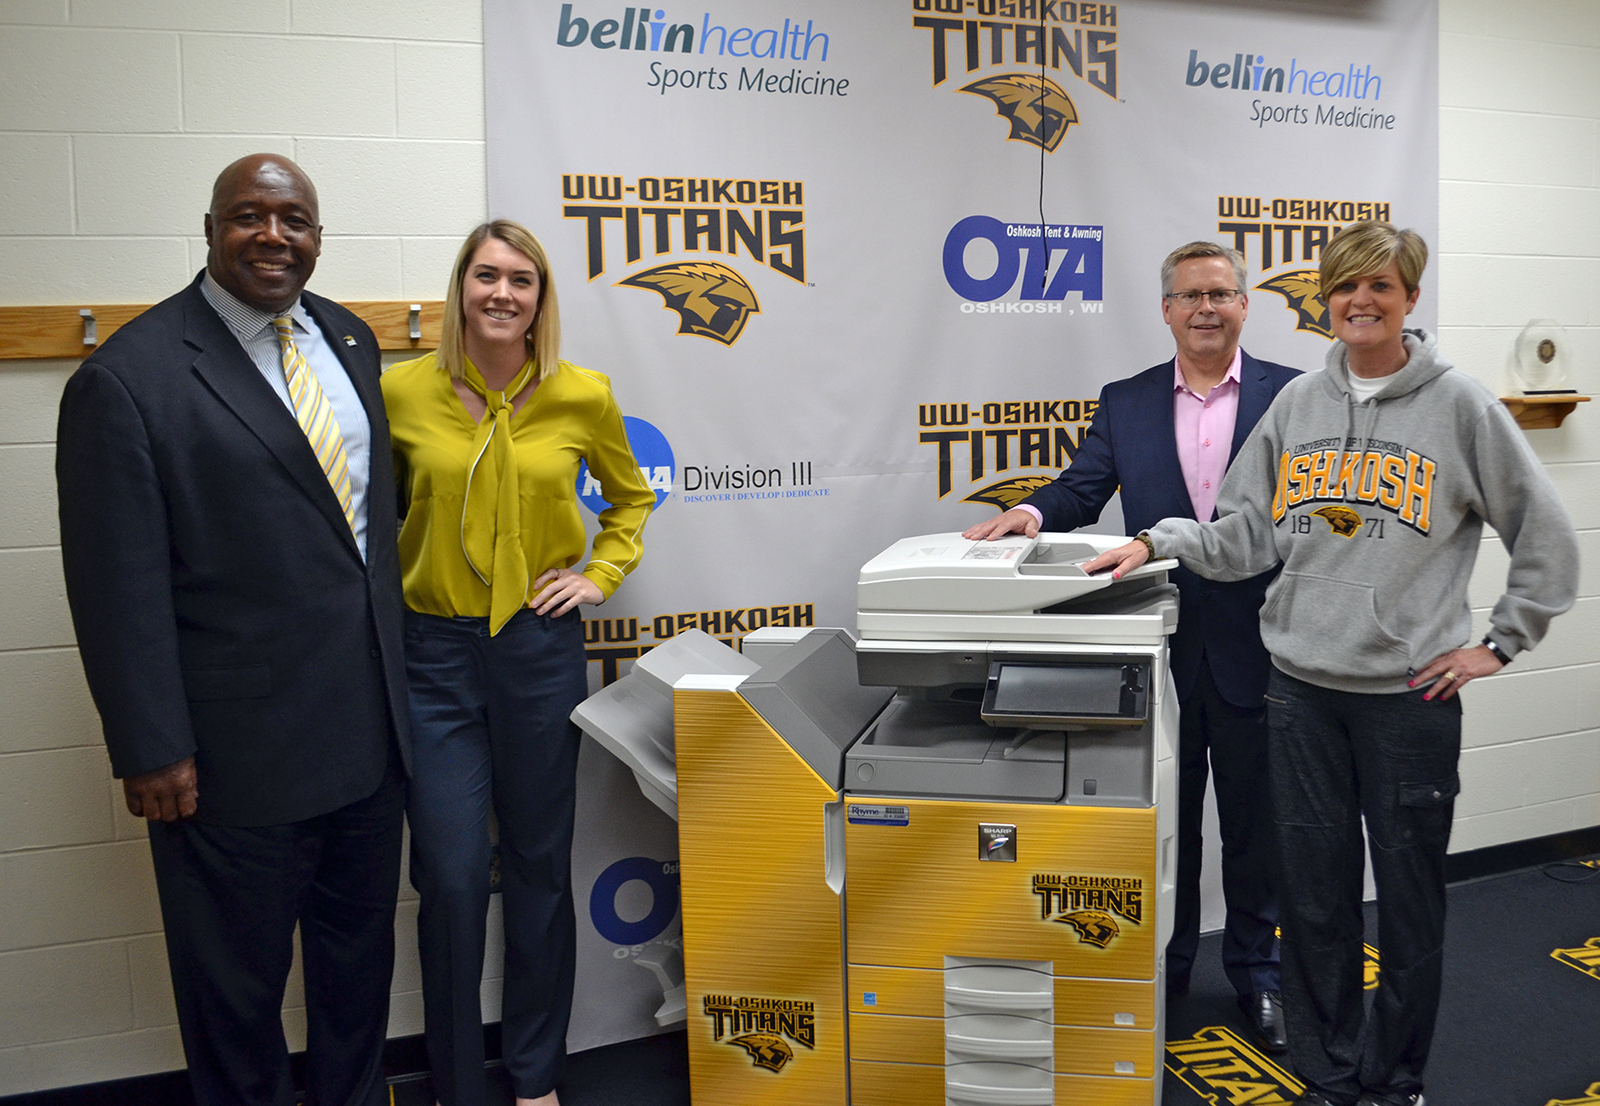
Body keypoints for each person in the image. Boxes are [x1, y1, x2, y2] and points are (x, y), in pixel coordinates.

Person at [1084, 222, 1579, 1106]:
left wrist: (1500, 642)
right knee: (1312, 905)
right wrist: (1157, 537)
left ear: (1408, 299)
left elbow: (1545, 536)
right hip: (1298, 694)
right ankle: (1329, 1072)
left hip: (1407, 702)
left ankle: (1394, 1082)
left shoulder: (1460, 405)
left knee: (1410, 904)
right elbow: (1243, 537)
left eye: (1380, 287)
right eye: (1345, 287)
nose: (1361, 302)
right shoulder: (1299, 406)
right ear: (1324, 299)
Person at [56, 154, 411, 1106]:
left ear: (317, 237)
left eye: (293, 219)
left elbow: (367, 536)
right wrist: (150, 747)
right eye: (248, 216)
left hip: (370, 746)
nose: (273, 236)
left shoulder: (346, 337)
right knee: (234, 999)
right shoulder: (131, 377)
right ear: (209, 229)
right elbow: (112, 583)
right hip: (228, 764)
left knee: (357, 977)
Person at [964, 241, 1298, 1051]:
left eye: (1221, 294)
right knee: (1164, 820)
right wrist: (1032, 515)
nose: (1207, 309)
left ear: (1246, 304)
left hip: (1265, 647)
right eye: (1191, 296)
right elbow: (1084, 487)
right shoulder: (1128, 399)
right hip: (1162, 650)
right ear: (1167, 310)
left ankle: (1259, 974)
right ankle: (1166, 967)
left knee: (1257, 827)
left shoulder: (1294, 395)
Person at [382, 220, 654, 1106]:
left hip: (536, 651)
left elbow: (631, 497)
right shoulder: (397, 394)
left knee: (537, 866)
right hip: (434, 658)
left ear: (541, 300)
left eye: (522, 281)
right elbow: (371, 519)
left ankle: (536, 1075)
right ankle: (459, 1082)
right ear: (461, 285)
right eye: (487, 275)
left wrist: (599, 574)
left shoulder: (581, 394)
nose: (503, 293)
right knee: (454, 875)